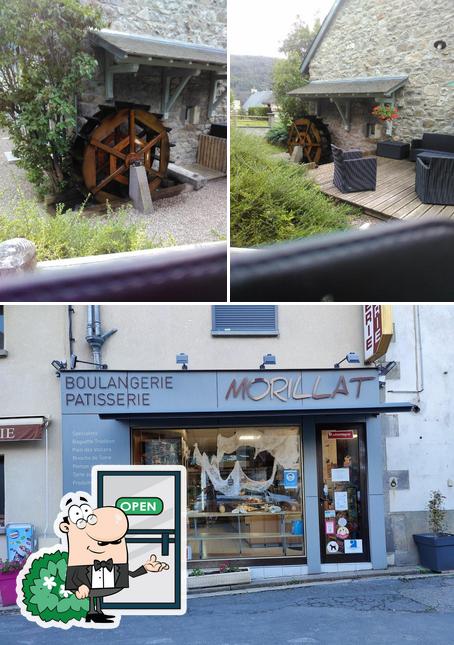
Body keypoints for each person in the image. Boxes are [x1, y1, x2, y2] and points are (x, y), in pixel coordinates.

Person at [59, 493, 169, 624]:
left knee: (98, 595)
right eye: (101, 543)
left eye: (116, 542)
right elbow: (73, 578)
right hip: (88, 586)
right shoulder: (79, 564)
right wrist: (79, 587)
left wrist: (145, 568)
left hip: (103, 584)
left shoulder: (115, 565)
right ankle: (91, 612)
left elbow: (131, 574)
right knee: (93, 594)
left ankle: (97, 612)